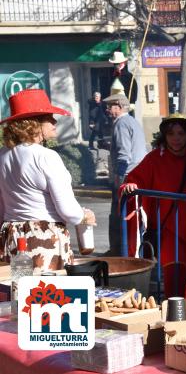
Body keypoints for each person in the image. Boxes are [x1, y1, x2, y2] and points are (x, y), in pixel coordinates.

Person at [120, 114, 186, 299]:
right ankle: (175, 319)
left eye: (181, 133)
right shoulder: (153, 159)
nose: (176, 138)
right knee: (173, 276)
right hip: (167, 230)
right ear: (164, 136)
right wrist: (130, 186)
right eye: (171, 134)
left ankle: (184, 319)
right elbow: (133, 180)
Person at [0, 89, 96, 271]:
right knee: (46, 295)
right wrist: (83, 215)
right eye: (49, 117)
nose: (55, 121)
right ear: (33, 123)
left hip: (11, 235)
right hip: (43, 238)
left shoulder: (2, 155)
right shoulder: (46, 156)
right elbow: (69, 211)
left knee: (18, 293)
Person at [105, 93, 147, 256]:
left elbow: (124, 153)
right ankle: (128, 249)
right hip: (136, 172)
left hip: (127, 173)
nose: (108, 110)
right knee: (132, 214)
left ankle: (118, 251)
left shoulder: (121, 123)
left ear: (120, 107)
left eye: (111, 107)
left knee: (119, 213)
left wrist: (119, 175)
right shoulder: (131, 121)